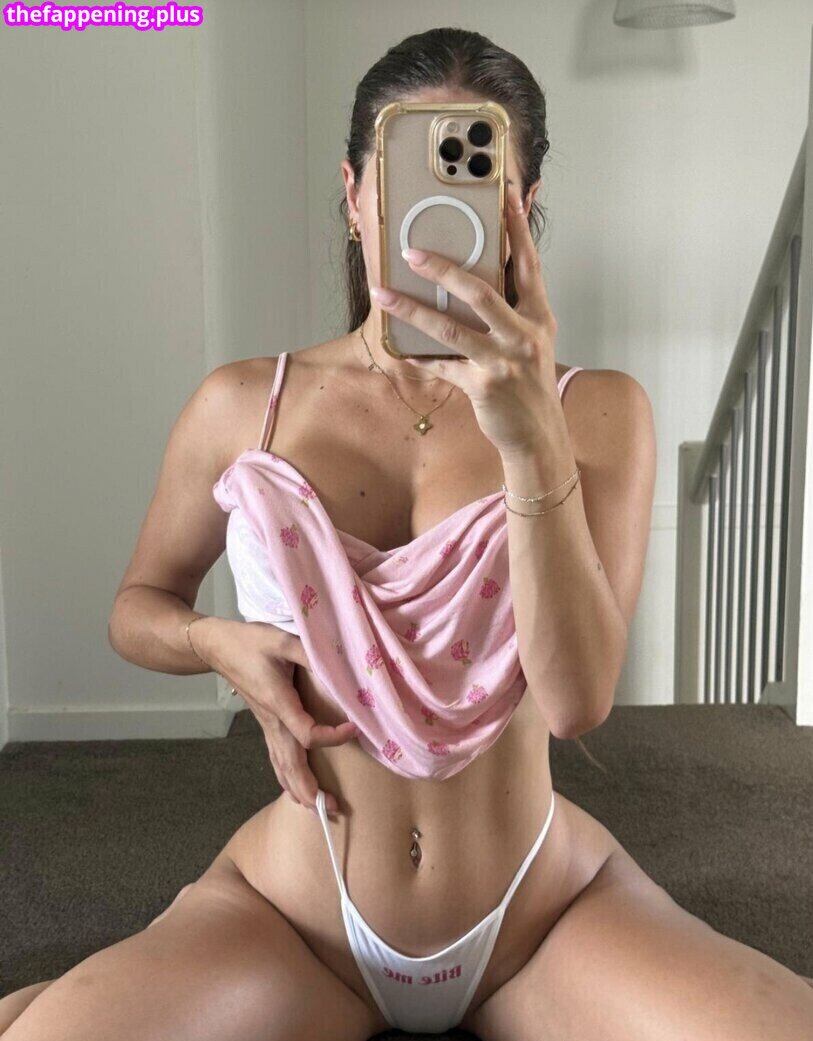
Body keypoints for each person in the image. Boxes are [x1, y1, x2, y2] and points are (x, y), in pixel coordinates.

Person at [3, 26, 812, 1041]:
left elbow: (576, 702)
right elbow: (138, 607)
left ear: (522, 210)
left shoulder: (599, 410)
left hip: (541, 915)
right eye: (402, 178)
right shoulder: (243, 403)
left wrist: (531, 443)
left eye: (476, 185)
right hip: (296, 919)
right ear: (353, 194)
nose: (434, 221)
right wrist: (216, 643)